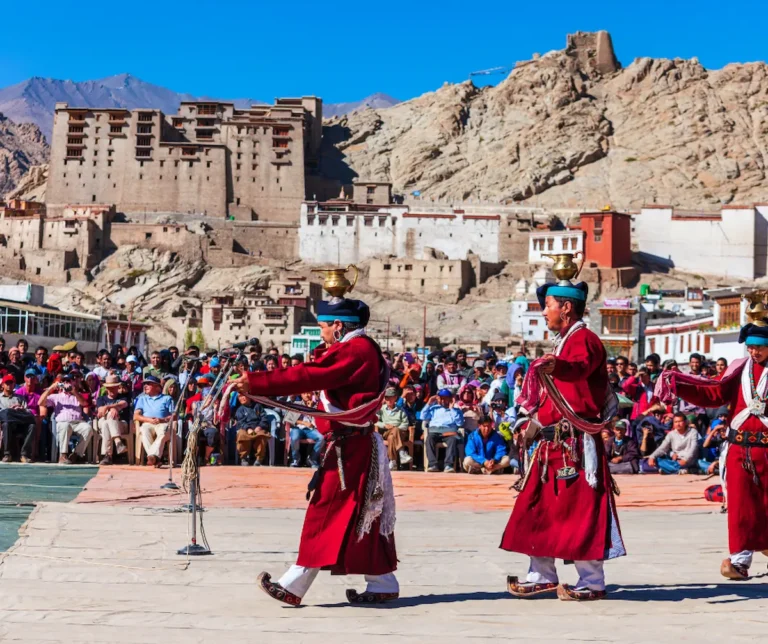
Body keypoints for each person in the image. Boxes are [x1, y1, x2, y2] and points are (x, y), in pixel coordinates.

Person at [237, 295, 398, 606]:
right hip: (352, 444)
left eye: (323, 326)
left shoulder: (356, 350)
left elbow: (310, 374)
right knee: (364, 513)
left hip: (348, 448)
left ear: (339, 326)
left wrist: (256, 382)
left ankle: (294, 584)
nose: (321, 332)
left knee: (325, 511)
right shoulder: (357, 347)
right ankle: (382, 581)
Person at [501, 278, 625, 602]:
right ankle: (541, 575)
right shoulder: (562, 342)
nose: (544, 313)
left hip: (577, 447)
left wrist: (556, 365)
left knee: (581, 511)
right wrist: (532, 423)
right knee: (538, 508)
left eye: (548, 306)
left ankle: (592, 581)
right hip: (552, 446)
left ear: (566, 307)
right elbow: (553, 398)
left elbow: (578, 370)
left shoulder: (584, 340)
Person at [656, 320, 768, 579]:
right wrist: (679, 382)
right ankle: (740, 561)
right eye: (750, 347)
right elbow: (714, 392)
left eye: (760, 347)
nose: (754, 352)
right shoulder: (739, 368)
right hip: (740, 447)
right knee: (740, 506)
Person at [39, 375, 93, 464]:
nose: (66, 383)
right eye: (64, 381)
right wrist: (51, 388)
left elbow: (84, 403)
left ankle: (76, 454)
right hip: (63, 422)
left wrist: (74, 391)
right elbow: (40, 402)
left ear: (73, 383)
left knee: (88, 429)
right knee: (65, 425)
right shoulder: (56, 396)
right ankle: (63, 455)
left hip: (77, 422)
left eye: (69, 381)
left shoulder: (77, 396)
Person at [134, 375, 175, 467]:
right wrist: (148, 420)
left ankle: (152, 457)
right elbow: (136, 416)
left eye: (148, 384)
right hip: (147, 423)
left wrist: (162, 419)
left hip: (162, 423)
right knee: (144, 430)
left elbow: (174, 415)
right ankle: (155, 458)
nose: (145, 386)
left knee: (163, 431)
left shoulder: (167, 398)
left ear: (157, 387)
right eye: (144, 384)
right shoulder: (142, 399)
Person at [421, 389, 465, 472]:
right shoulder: (434, 408)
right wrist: (429, 403)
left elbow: (460, 423)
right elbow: (422, 417)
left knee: (453, 440)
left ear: (450, 399)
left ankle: (448, 465)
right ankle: (432, 464)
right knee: (429, 439)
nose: (443, 400)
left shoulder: (456, 410)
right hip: (435, 430)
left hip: (449, 432)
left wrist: (452, 408)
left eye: (446, 398)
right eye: (441, 398)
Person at [95, 374, 130, 465]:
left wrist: (109, 407)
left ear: (118, 387)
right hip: (104, 422)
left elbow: (123, 404)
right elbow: (101, 412)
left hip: (121, 424)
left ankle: (107, 456)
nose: (111, 390)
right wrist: (113, 409)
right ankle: (118, 442)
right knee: (107, 420)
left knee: (107, 422)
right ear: (106, 388)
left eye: (114, 387)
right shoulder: (100, 399)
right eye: (109, 388)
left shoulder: (123, 397)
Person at [0, 374, 35, 463]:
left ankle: (24, 454)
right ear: (3, 384)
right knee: (6, 423)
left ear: (14, 385)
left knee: (32, 425)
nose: (9, 385)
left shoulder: (19, 398)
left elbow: (28, 412)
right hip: (7, 424)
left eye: (11, 383)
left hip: (19, 422)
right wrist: (9, 410)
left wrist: (21, 408)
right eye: (7, 383)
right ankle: (7, 454)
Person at [376, 387, 412, 471]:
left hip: (400, 432)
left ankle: (393, 461)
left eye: (391, 397)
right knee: (392, 434)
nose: (388, 400)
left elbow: (405, 423)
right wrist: (385, 425)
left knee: (393, 436)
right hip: (386, 431)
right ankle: (402, 453)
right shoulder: (381, 409)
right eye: (386, 397)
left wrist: (396, 429)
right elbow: (376, 422)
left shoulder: (400, 410)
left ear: (395, 398)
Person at [285, 392, 325, 467]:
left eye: (309, 393)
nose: (307, 395)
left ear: (312, 394)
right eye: (304, 394)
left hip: (310, 430)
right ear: (301, 395)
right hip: (297, 428)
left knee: (321, 438)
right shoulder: (296, 404)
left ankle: (312, 459)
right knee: (295, 437)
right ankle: (295, 459)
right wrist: (303, 423)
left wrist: (310, 409)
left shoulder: (316, 405)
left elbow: (318, 420)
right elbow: (288, 419)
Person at [234, 393, 272, 466]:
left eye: (243, 396)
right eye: (239, 397)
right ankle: (244, 458)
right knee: (241, 435)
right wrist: (248, 429)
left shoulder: (258, 406)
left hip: (257, 429)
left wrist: (260, 426)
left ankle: (259, 459)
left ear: (249, 397)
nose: (241, 398)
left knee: (262, 436)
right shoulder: (240, 410)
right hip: (246, 429)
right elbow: (240, 421)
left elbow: (264, 418)